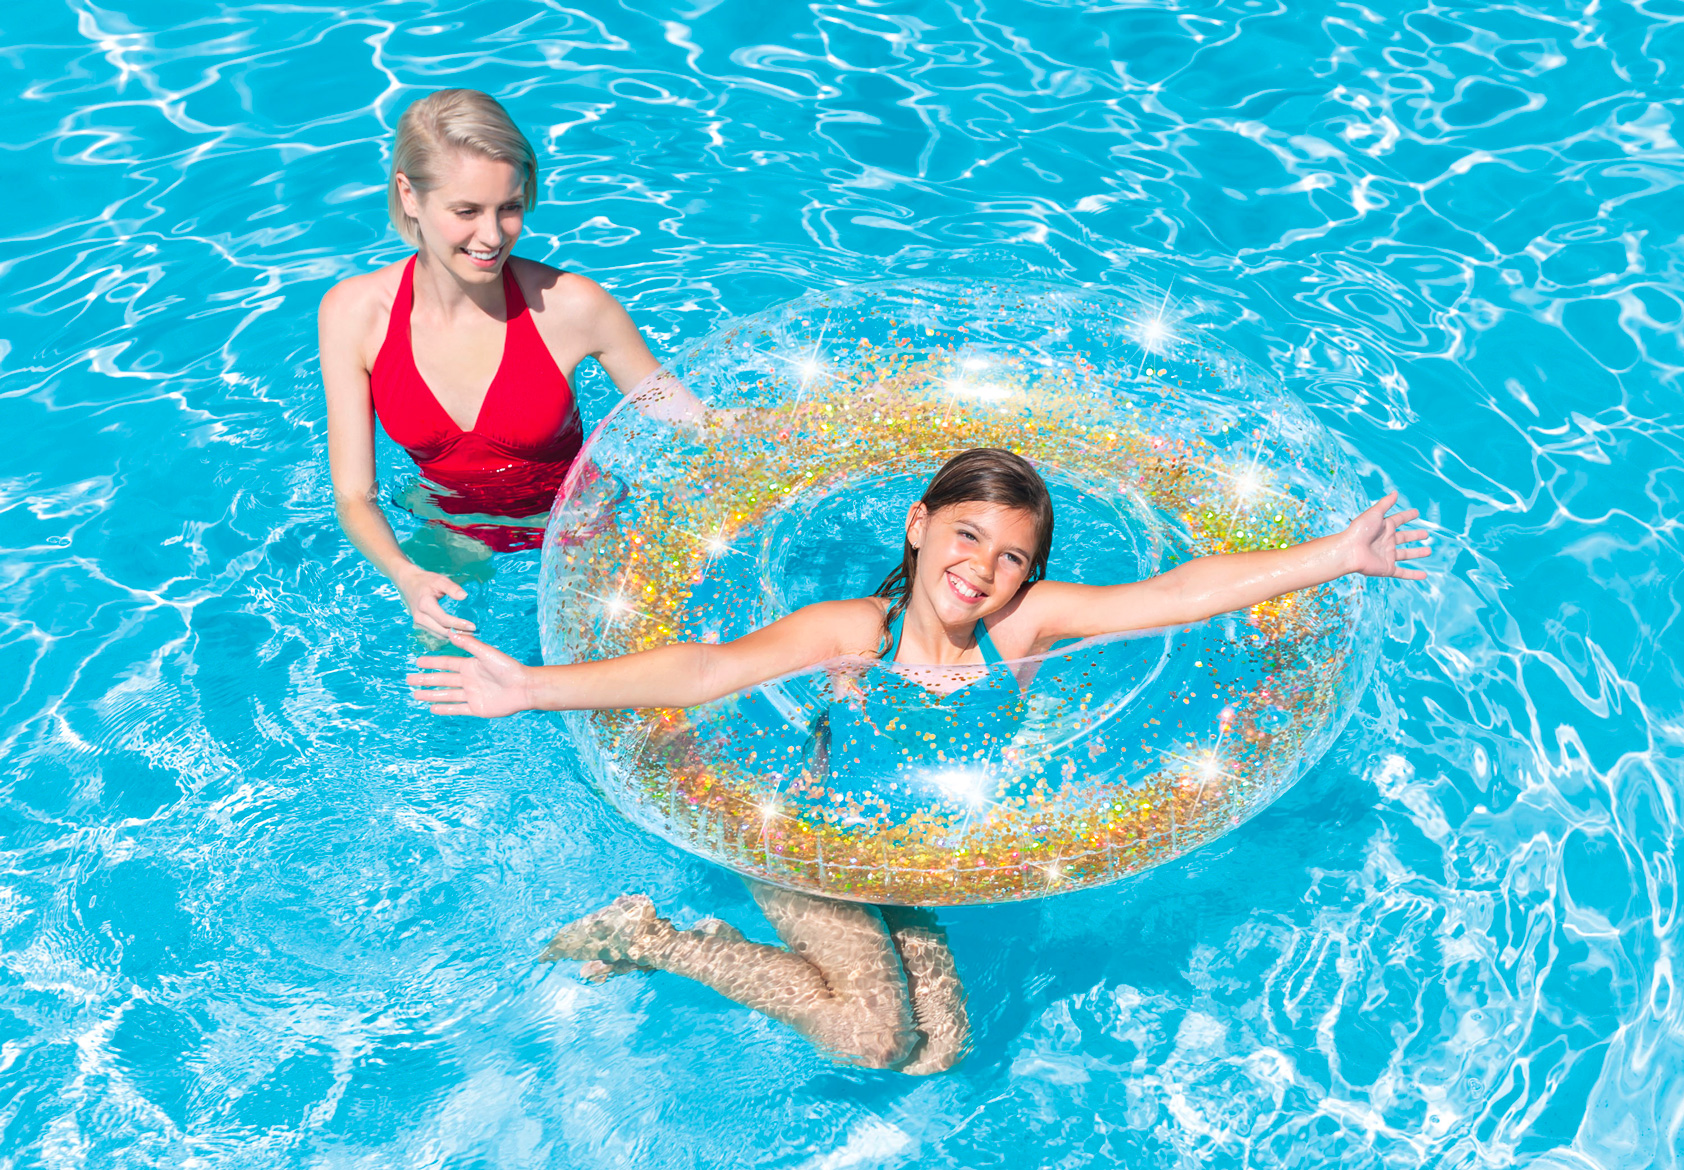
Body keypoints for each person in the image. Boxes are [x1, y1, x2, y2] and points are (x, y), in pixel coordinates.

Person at [407, 448, 1433, 1072]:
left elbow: (1175, 593)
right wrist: (531, 687)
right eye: (966, 534)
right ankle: (654, 938)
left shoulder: (1024, 632)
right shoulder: (853, 632)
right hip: (807, 845)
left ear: (1032, 572)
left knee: (942, 1050)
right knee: (869, 1036)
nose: (981, 568)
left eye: (1012, 555)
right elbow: (704, 670)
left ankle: (756, 961)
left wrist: (1335, 555)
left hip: (907, 855)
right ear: (918, 526)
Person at [318, 88, 695, 638]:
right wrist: (407, 575)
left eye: (510, 208)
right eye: (467, 211)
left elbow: (691, 420)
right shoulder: (354, 315)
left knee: (639, 701)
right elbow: (353, 497)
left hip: (582, 529)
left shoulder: (573, 307)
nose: (493, 237)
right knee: (442, 690)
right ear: (410, 195)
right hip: (451, 533)